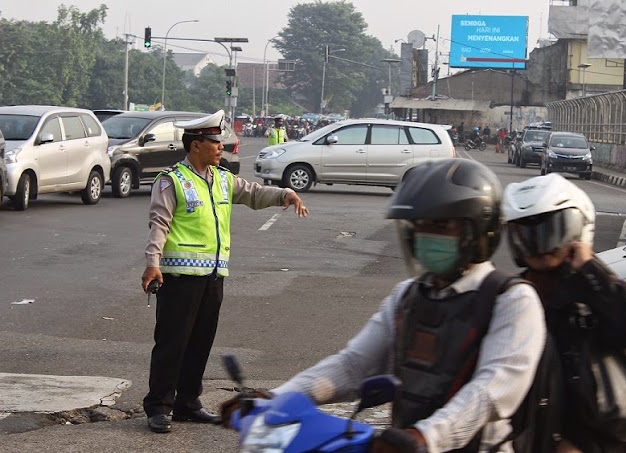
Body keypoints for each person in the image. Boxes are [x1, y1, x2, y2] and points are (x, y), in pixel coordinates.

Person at [221, 159, 546, 452]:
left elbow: (491, 390)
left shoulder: (511, 299)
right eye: (418, 226)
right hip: (403, 444)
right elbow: (352, 366)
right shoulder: (408, 295)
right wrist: (278, 399)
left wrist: (425, 437)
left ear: (478, 230)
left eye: (441, 226)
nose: (424, 236)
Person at [141, 110, 309, 434]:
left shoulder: (222, 178)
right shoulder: (172, 180)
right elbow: (158, 224)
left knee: (200, 342)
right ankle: (159, 407)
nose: (221, 148)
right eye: (215, 143)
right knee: (172, 344)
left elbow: (254, 194)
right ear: (196, 146)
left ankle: (187, 403)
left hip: (213, 276)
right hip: (178, 277)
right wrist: (152, 263)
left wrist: (284, 194)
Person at [502, 173, 626, 453]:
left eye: (551, 234)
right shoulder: (517, 292)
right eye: (528, 236)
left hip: (587, 439)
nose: (540, 247)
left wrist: (588, 268)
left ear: (577, 232)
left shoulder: (592, 285)